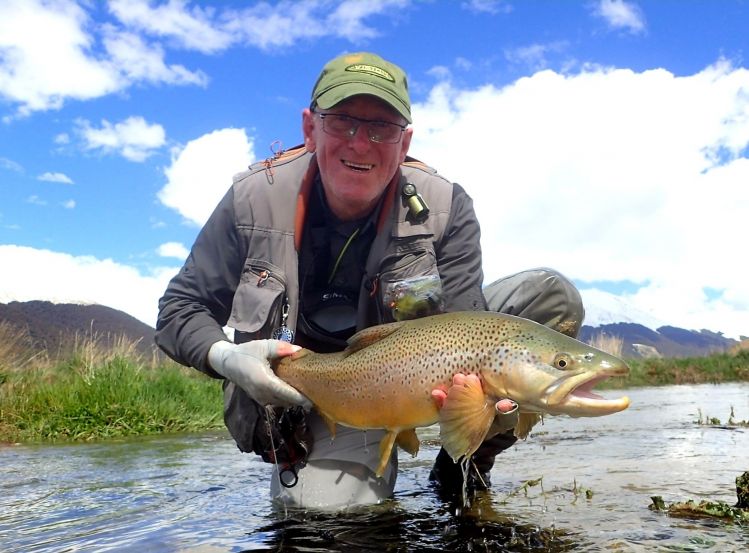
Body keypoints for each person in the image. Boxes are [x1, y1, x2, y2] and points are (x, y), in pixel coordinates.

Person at [155, 52, 584, 509]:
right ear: (309, 127)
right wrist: (226, 358)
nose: (361, 144)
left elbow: (466, 323)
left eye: (382, 128)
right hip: (309, 392)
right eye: (343, 122)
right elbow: (179, 309)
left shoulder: (446, 206)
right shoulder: (252, 199)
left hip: (411, 369)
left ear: (405, 142)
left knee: (548, 298)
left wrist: (479, 398)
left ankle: (466, 461)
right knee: (328, 523)